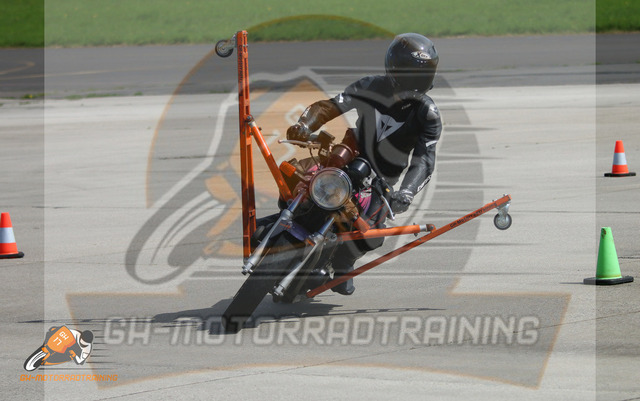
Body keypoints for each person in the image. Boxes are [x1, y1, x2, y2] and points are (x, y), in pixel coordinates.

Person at [286, 33, 442, 295]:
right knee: (296, 176)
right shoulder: (370, 86)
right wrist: (305, 125)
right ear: (393, 68)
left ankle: (343, 262)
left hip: (382, 179)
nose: (416, 81)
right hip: (347, 157)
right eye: (411, 73)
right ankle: (284, 221)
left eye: (423, 74)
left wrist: (407, 191)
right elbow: (332, 106)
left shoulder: (428, 112)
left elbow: (425, 159)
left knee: (373, 235)